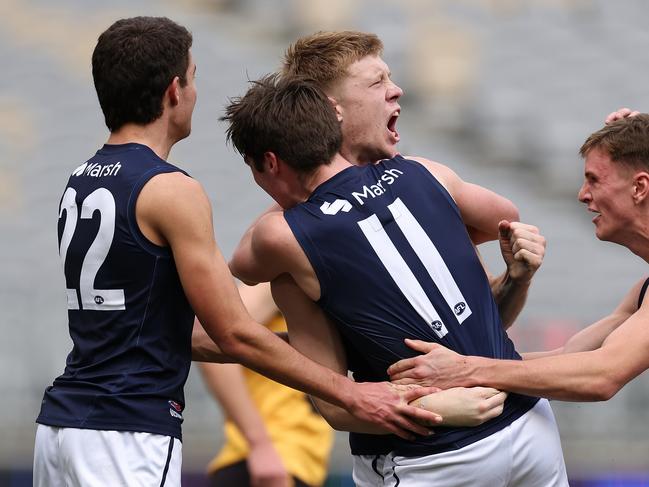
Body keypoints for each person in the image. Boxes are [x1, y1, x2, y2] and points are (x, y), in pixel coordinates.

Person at [32, 17, 443, 487]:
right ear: (173, 91)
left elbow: (176, 333)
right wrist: (351, 392)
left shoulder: (81, 178)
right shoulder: (170, 188)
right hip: (127, 429)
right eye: (193, 76)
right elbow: (233, 332)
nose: (194, 90)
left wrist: (333, 351)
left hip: (62, 425)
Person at [224, 74, 568, 486]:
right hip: (531, 426)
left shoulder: (285, 234)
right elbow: (504, 214)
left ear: (271, 162)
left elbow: (241, 265)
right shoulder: (423, 170)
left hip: (434, 455)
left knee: (291, 284)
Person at [387, 113, 649, 403]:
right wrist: (445, 373)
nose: (582, 195)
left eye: (594, 180)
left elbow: (602, 375)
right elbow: (573, 357)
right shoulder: (642, 293)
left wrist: (466, 370)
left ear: (639, 188)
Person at [200, 282, 333, 487]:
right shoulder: (279, 282)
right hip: (270, 463)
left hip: (296, 466)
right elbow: (213, 337)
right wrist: (260, 445)